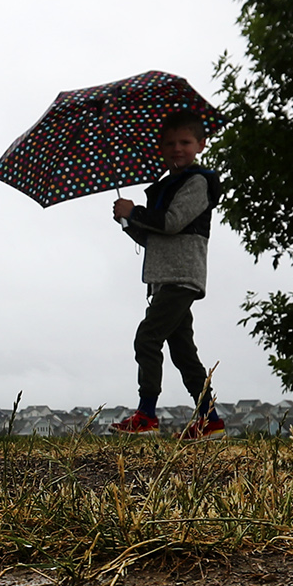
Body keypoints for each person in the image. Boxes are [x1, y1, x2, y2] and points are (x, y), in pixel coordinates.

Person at [109, 113, 225, 437]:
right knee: (183, 352)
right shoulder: (164, 188)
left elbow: (172, 222)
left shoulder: (198, 182)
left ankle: (147, 415)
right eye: (170, 143)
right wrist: (128, 222)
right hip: (164, 278)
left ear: (201, 145)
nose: (177, 148)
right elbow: (153, 238)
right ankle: (210, 420)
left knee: (147, 337)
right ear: (160, 148)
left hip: (182, 276)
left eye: (185, 142)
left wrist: (136, 212)